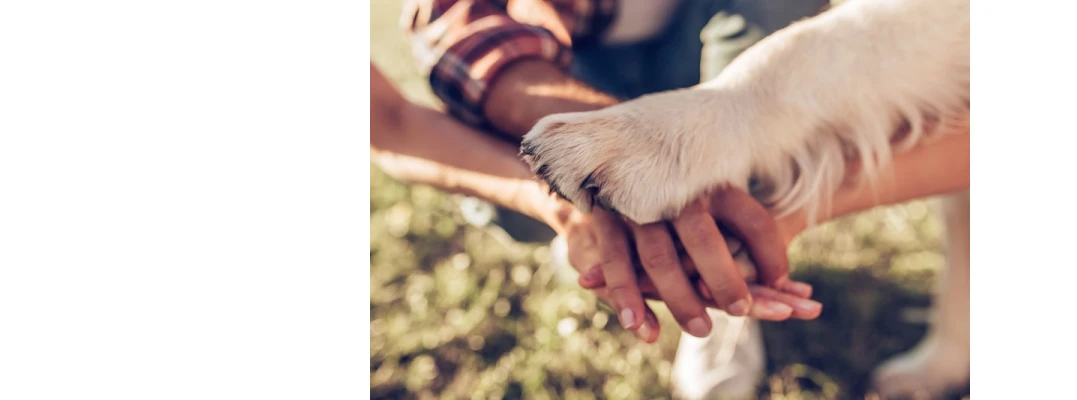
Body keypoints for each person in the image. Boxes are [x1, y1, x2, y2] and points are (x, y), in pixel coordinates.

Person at [390, 0, 970, 396]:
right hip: (587, 70)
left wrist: (731, 146)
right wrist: (616, 162)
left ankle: (723, 274)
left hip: (737, 47)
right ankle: (685, 254)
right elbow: (459, 37)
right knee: (538, 142)